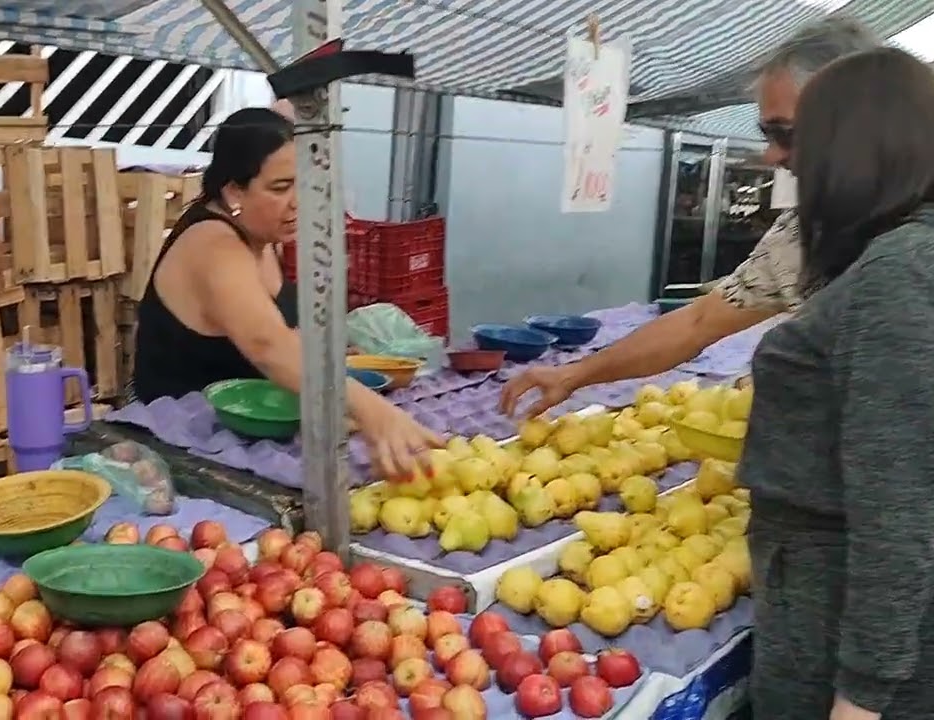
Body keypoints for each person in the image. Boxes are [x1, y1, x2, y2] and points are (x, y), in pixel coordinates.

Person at [499, 17, 880, 417]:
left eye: (784, 133)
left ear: (857, 119)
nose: (770, 156)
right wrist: (574, 374)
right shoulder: (803, 235)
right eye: (765, 134)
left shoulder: (912, 242)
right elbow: (699, 320)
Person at [741, 47, 934, 720]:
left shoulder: (897, 274)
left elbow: (898, 511)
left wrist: (859, 699)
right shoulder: (906, 257)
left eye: (803, 140)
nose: (782, 160)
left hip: (840, 655)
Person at [132, 107, 440, 476]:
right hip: (182, 440)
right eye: (280, 188)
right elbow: (267, 344)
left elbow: (282, 332)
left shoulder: (261, 234)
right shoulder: (212, 245)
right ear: (234, 191)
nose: (298, 202)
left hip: (259, 423)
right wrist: (374, 412)